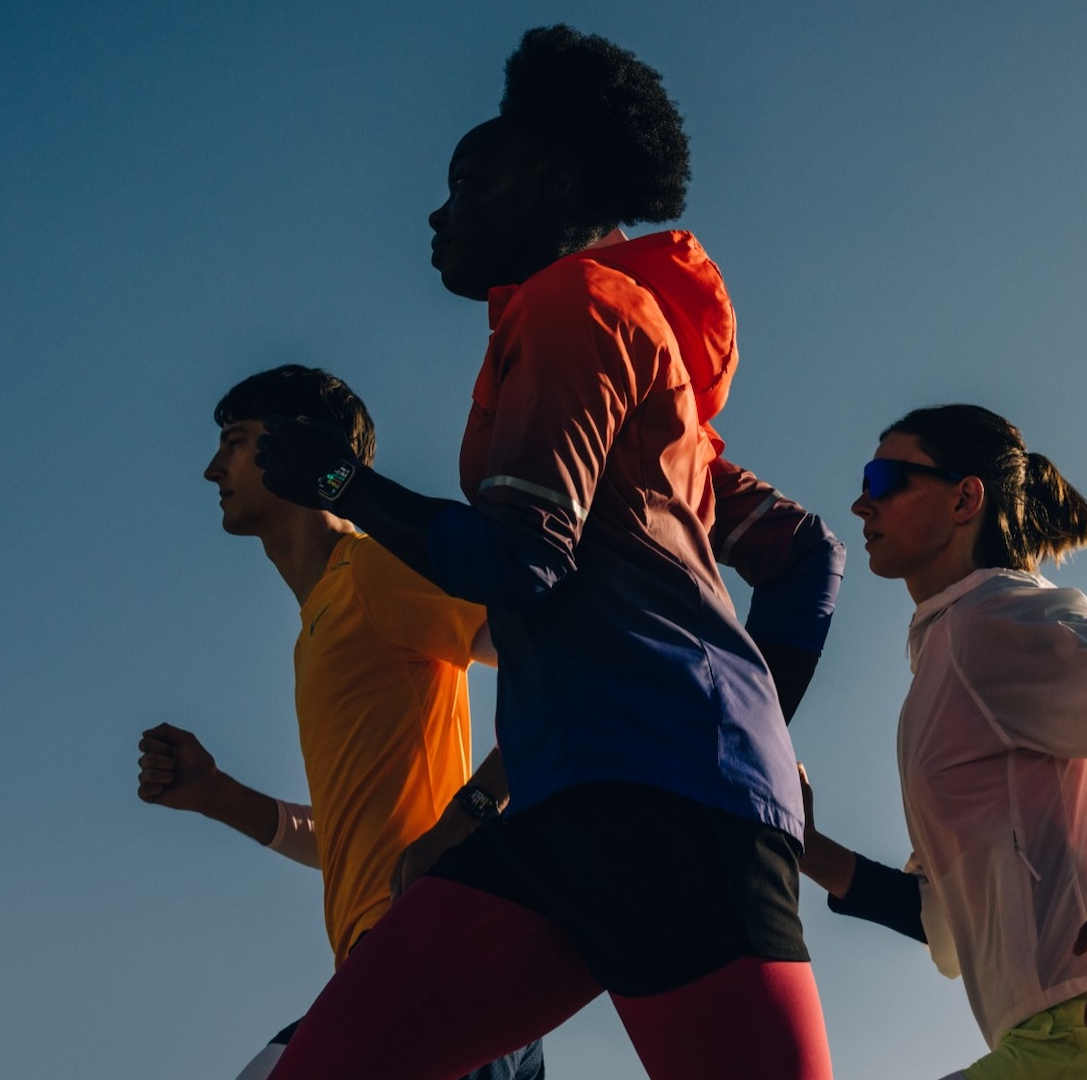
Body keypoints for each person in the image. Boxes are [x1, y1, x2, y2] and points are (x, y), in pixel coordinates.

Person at [251, 26, 840, 1080]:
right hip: (585, 810)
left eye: (469, 180)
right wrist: (756, 732)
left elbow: (523, 563)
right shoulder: (637, 361)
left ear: (553, 182)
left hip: (666, 821)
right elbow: (802, 557)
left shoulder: (579, 304)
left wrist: (339, 483)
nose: (439, 211)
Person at [798, 404, 1087, 1080]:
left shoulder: (989, 623)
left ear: (965, 498)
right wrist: (804, 846)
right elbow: (939, 916)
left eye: (886, 477)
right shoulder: (945, 665)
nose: (862, 503)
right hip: (1079, 1048)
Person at [136, 365, 543, 1080]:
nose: (211, 469)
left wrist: (469, 816)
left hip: (437, 954)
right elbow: (359, 839)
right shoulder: (319, 626)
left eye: (234, 442)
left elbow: (559, 659)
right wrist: (218, 796)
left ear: (294, 445)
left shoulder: (378, 568)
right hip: (401, 962)